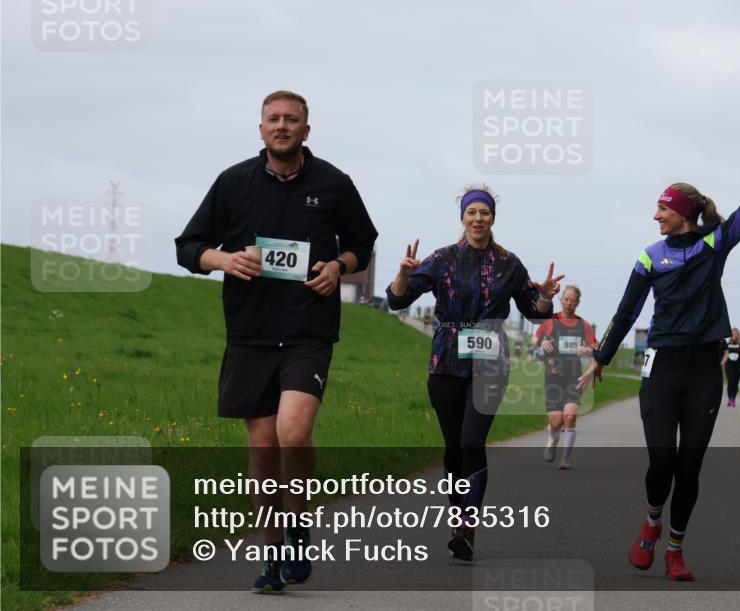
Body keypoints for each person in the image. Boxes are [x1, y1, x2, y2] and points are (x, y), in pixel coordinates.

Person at [578, 113, 740, 581]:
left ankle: (675, 549)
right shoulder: (650, 255)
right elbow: (627, 312)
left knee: (690, 467)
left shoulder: (715, 244)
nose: (655, 215)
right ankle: (650, 522)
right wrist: (602, 357)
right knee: (662, 458)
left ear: (683, 213)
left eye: (662, 209)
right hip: (661, 364)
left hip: (706, 367)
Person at [175, 90, 378, 593]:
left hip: (309, 330)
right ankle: (271, 555)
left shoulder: (334, 184)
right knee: (263, 448)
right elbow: (187, 247)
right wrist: (222, 260)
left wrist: (338, 266)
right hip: (250, 332)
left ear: (307, 130)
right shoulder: (233, 182)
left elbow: (363, 245)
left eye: (292, 119)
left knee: (292, 430)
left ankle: (299, 524)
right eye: (274, 119)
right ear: (261, 128)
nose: (282, 126)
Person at [387, 186, 562, 561]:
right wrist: (403, 274)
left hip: (490, 362)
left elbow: (535, 312)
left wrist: (546, 295)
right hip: (446, 361)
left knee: (471, 441)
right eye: (472, 212)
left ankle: (468, 525)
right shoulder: (444, 259)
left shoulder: (509, 263)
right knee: (453, 450)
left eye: (484, 212)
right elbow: (397, 299)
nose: (478, 218)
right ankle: (457, 514)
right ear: (463, 218)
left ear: (493, 218)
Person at [531, 285, 597, 469]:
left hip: (574, 378)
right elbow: (533, 340)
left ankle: (566, 458)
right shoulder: (550, 321)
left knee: (570, 417)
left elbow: (596, 347)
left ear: (578, 303)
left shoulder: (583, 325)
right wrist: (541, 342)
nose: (569, 303)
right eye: (566, 299)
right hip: (553, 377)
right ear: (561, 300)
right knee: (556, 422)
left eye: (573, 300)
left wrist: (588, 348)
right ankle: (553, 440)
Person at [721, 328, 740, 407]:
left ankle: (733, 398)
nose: (734, 335)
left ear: (738, 336)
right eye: (732, 334)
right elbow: (723, 353)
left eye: (736, 334)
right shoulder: (727, 345)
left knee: (736, 383)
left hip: (738, 367)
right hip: (729, 366)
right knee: (730, 381)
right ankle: (730, 399)